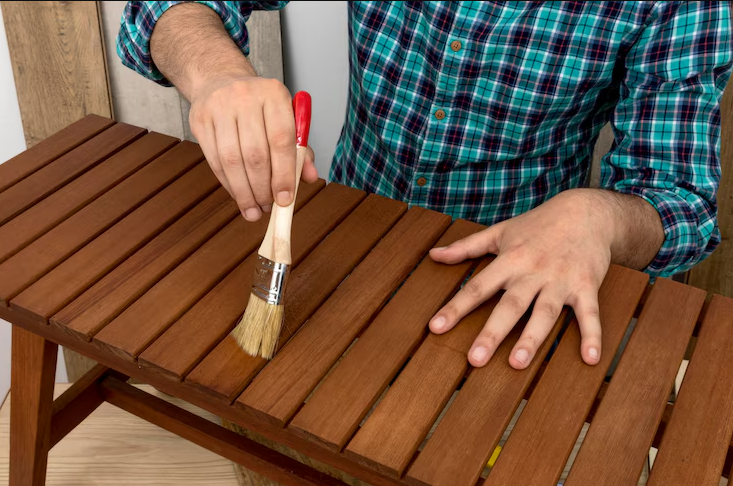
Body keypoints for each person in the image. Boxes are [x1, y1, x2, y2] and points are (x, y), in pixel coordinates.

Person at [117, 1, 731, 371]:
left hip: (511, 290)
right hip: (348, 242)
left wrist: (597, 217)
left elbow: (682, 202)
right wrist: (217, 73)